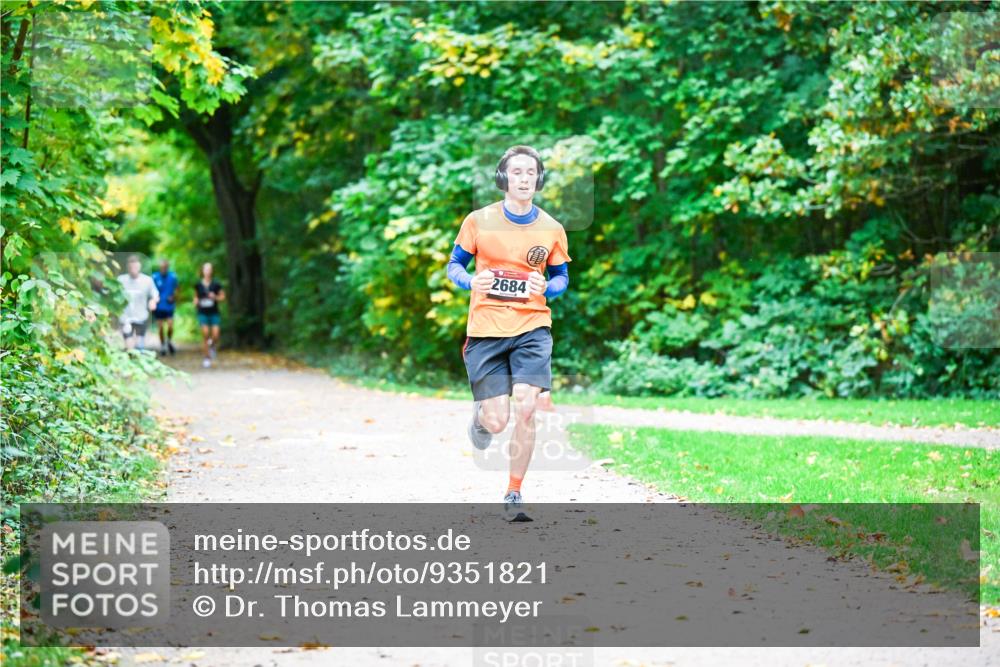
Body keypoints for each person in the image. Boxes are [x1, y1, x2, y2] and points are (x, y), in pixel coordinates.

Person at [446, 145, 571, 521]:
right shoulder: (478, 221)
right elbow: (454, 265)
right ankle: (481, 419)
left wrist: (546, 289)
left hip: (532, 326)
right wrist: (471, 280)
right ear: (504, 178)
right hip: (486, 329)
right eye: (516, 172)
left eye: (530, 173)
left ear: (538, 179)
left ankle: (514, 492)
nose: (523, 179)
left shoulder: (551, 228)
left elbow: (562, 277)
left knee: (528, 407)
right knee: (497, 421)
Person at [117, 255, 159, 352]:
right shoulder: (121, 280)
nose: (133, 269)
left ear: (139, 266)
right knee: (129, 345)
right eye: (131, 267)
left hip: (141, 317)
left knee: (140, 346)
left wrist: (153, 301)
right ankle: (131, 360)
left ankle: (139, 358)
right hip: (125, 317)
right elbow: (113, 295)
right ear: (127, 267)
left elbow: (155, 293)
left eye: (135, 267)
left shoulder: (147, 280)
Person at [193, 262, 225, 368]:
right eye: (205, 269)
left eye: (209, 269)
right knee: (205, 334)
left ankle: (212, 346)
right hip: (202, 312)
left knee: (215, 335)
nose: (207, 271)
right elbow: (195, 297)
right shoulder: (198, 284)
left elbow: (223, 297)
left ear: (212, 271)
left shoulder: (216, 284)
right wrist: (196, 302)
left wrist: (215, 297)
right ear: (202, 271)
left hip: (214, 312)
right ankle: (207, 358)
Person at [152, 259, 179, 356]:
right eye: (162, 267)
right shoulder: (155, 277)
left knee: (170, 325)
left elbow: (177, 289)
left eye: (165, 267)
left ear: (167, 267)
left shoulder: (173, 276)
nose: (163, 269)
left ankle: (169, 340)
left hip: (169, 306)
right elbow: (150, 290)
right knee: (160, 328)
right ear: (160, 268)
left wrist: (174, 297)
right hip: (159, 306)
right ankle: (163, 345)